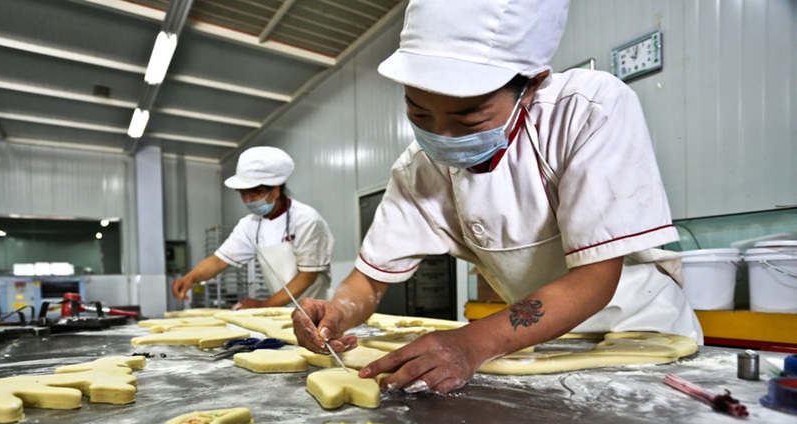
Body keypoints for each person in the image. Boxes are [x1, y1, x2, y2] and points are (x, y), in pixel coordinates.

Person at [293, 0, 702, 393]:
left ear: (531, 87)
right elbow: (370, 278)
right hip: (529, 342)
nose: (441, 135)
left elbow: (595, 278)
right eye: (419, 113)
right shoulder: (419, 169)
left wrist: (471, 343)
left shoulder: (587, 110)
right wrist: (339, 311)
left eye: (469, 117)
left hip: (642, 334)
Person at [171, 146, 334, 309]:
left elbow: (307, 276)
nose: (247, 201)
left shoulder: (306, 220)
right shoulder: (250, 224)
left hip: (317, 309)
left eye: (253, 195)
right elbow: (219, 261)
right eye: (242, 194)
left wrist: (265, 304)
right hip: (281, 311)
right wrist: (190, 278)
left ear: (275, 191)